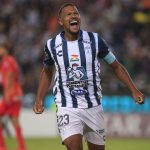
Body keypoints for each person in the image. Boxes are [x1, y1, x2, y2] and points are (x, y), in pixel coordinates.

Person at [33, 3, 144, 150]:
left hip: (93, 106)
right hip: (67, 106)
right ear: (60, 21)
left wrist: (133, 90)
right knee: (74, 145)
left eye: (76, 13)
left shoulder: (95, 40)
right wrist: (39, 98)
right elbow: (47, 71)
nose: (73, 16)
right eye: (69, 14)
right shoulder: (52, 45)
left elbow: (116, 66)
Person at [0, 38, 26, 150]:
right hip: (17, 94)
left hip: (11, 94)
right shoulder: (12, 60)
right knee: (14, 120)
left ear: (5, 49)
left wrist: (6, 95)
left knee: (12, 119)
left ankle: (2, 146)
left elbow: (9, 77)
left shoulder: (7, 61)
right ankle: (21, 146)